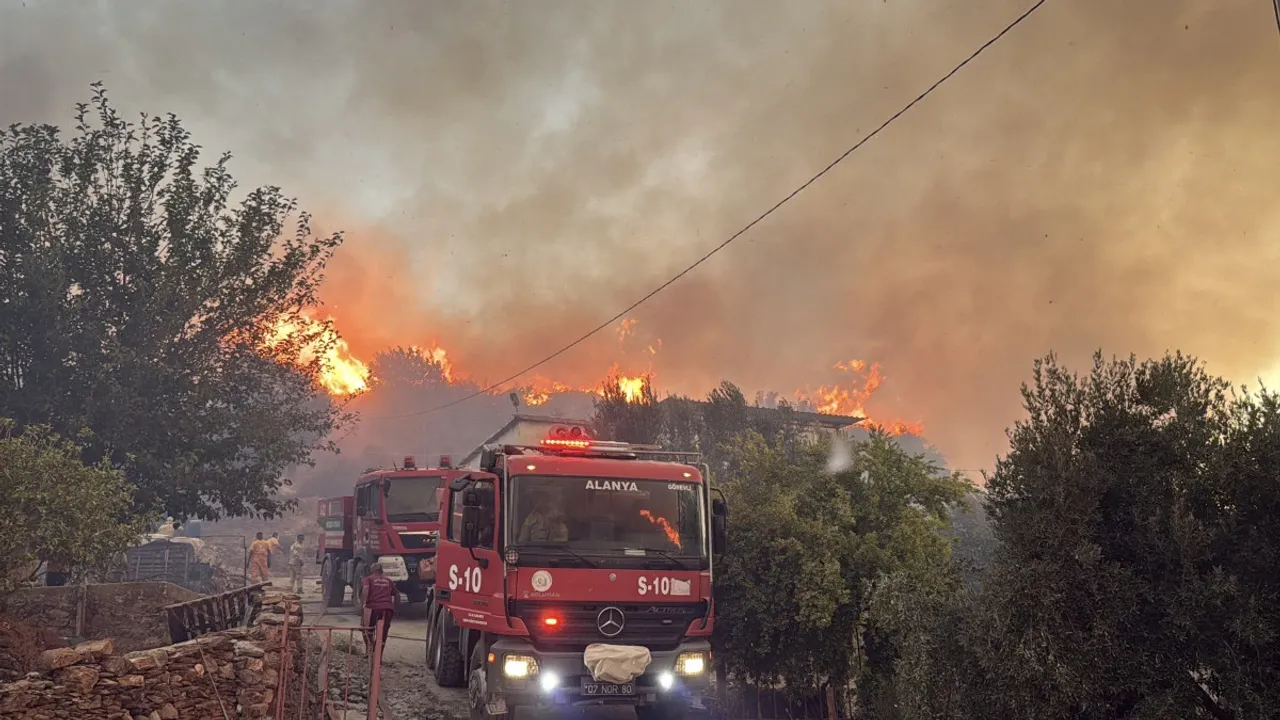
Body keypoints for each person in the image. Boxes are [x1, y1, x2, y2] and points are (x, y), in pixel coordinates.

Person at [360, 563, 399, 657]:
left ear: (372, 570)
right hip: (387, 609)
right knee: (383, 633)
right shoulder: (388, 581)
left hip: (372, 608)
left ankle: (369, 650)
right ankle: (379, 656)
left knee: (366, 628)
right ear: (382, 570)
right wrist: (395, 608)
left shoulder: (368, 579)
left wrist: (364, 603)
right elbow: (397, 594)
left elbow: (366, 589)